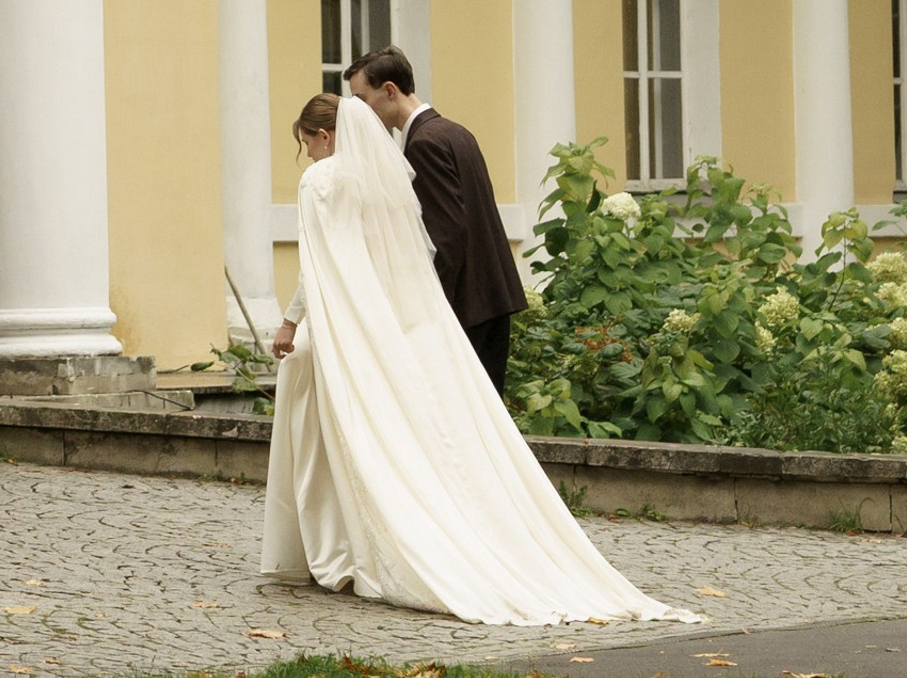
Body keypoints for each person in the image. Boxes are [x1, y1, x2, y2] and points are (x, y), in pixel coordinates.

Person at [262, 90, 692, 627]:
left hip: (346, 317)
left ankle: (333, 539)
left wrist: (290, 320)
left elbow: (319, 263)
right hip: (391, 318)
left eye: (308, 145)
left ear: (323, 136)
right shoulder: (382, 179)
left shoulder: (321, 182)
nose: (310, 157)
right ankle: (350, 536)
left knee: (326, 403)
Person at [345, 48, 526, 396]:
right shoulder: (455, 132)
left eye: (362, 100)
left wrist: (427, 310)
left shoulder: (423, 143)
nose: (360, 113)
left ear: (389, 91)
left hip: (466, 306)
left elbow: (446, 235)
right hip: (490, 297)